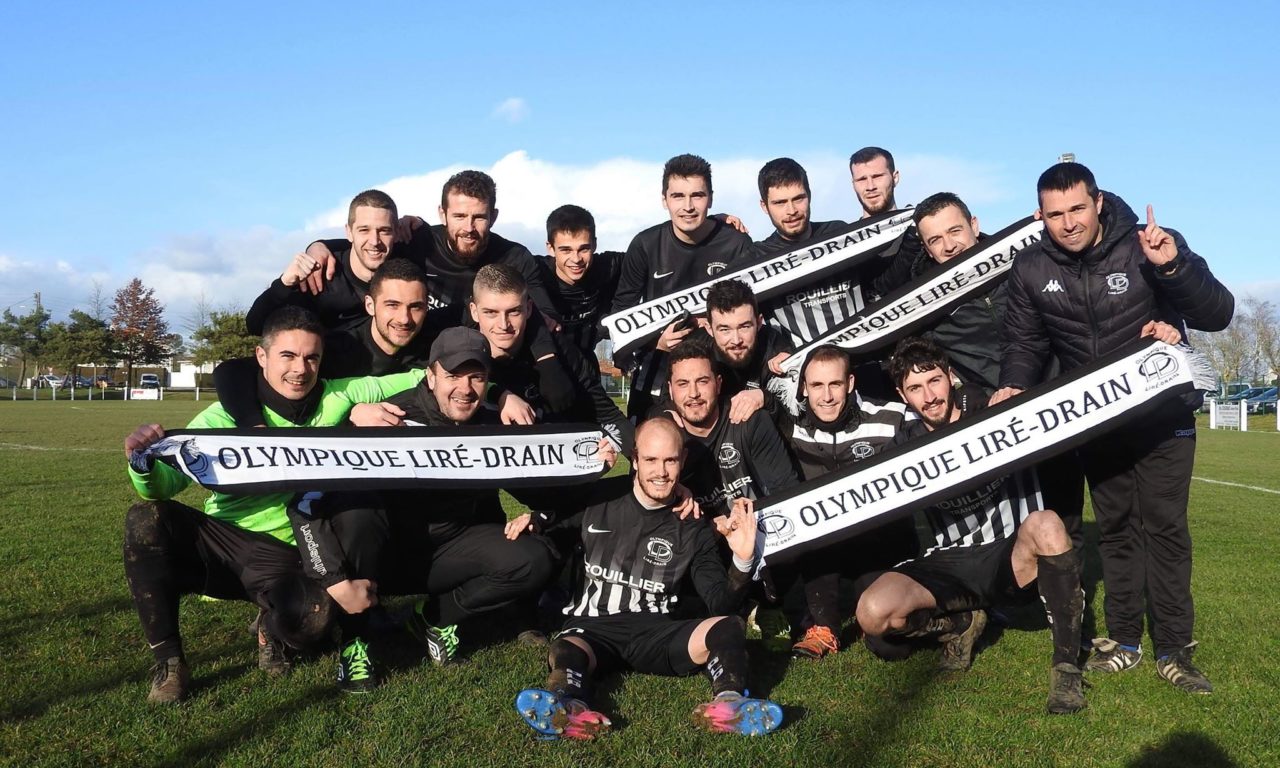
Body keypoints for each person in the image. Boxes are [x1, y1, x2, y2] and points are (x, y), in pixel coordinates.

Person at [992, 162, 1235, 693]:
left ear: (1098, 202)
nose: (1068, 223)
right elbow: (1025, 344)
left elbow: (1218, 313)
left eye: (1077, 209)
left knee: (1165, 528)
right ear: (1040, 216)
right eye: (1055, 214)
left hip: (1164, 416)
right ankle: (1124, 641)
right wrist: (1014, 382)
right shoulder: (1030, 268)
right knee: (1119, 529)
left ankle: (1175, 649)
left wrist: (1173, 269)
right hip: (1098, 424)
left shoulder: (1147, 243)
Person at [120, 307, 422, 703]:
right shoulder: (222, 416)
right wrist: (141, 462)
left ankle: (272, 627)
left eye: (311, 357)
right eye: (288, 356)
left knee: (314, 622)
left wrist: (495, 390)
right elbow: (162, 487)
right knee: (147, 519)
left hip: (293, 556)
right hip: (227, 546)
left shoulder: (341, 395)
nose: (301, 368)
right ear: (260, 358)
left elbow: (422, 379)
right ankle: (170, 662)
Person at [855, 337, 1087, 714]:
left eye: (934, 381)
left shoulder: (994, 407)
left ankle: (1066, 669)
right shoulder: (905, 442)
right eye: (915, 388)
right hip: (949, 563)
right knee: (873, 613)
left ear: (950, 376)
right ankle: (960, 623)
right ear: (902, 395)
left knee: (1047, 523)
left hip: (1010, 557)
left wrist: (1017, 398)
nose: (929, 396)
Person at [511, 419, 783, 740]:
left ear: (681, 461)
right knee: (568, 646)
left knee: (728, 625)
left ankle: (729, 704)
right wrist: (536, 520)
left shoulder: (693, 525)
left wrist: (742, 560)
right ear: (635, 460)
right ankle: (568, 704)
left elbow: (719, 602)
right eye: (651, 460)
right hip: (594, 628)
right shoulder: (598, 499)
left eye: (670, 460)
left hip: (656, 633)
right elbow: (554, 518)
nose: (661, 471)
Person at [776, 345, 916, 659]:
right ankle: (823, 627)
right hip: (823, 555)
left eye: (835, 384)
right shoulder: (787, 430)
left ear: (850, 383)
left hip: (880, 542)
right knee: (812, 519)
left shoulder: (892, 417)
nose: (826, 396)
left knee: (889, 645)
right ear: (803, 388)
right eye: (816, 386)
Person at [611, 153, 757, 419]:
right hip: (661, 366)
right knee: (651, 451)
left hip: (721, 371)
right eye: (678, 196)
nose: (688, 206)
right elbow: (623, 314)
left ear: (710, 198)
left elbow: (751, 313)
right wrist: (657, 342)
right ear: (664, 200)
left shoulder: (737, 244)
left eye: (697, 196)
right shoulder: (645, 245)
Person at [471, 263, 634, 455]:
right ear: (474, 311)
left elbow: (606, 414)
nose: (503, 324)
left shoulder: (560, 349)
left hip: (550, 466)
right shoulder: (460, 349)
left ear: (529, 309)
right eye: (490, 312)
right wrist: (499, 394)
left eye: (514, 311)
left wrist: (644, 458)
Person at [657, 335, 799, 517]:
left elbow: (787, 494)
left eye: (702, 381)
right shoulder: (664, 437)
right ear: (670, 390)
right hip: (702, 541)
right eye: (683, 384)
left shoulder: (749, 419)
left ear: (718, 384)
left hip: (761, 534)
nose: (693, 393)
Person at [245, 189, 399, 334]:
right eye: (364, 230)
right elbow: (255, 325)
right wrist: (284, 283)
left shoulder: (406, 270)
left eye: (384, 231)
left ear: (397, 232)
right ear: (349, 232)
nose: (374, 240)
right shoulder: (319, 275)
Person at [696, 279, 794, 427]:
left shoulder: (776, 350)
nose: (736, 340)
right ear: (709, 329)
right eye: (725, 330)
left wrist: (765, 398)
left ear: (759, 322)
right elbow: (666, 403)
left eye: (744, 327)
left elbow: (796, 419)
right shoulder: (695, 353)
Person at [539, 204, 623, 368]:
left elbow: (649, 256)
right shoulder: (535, 273)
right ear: (550, 248)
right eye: (566, 250)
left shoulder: (609, 267)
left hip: (587, 364)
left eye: (584, 249)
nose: (576, 259)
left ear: (595, 245)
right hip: (546, 367)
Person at [849, 146, 900, 220]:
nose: (870, 187)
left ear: (895, 178)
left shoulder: (918, 229)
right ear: (853, 184)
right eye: (862, 179)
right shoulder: (846, 231)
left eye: (877, 177)